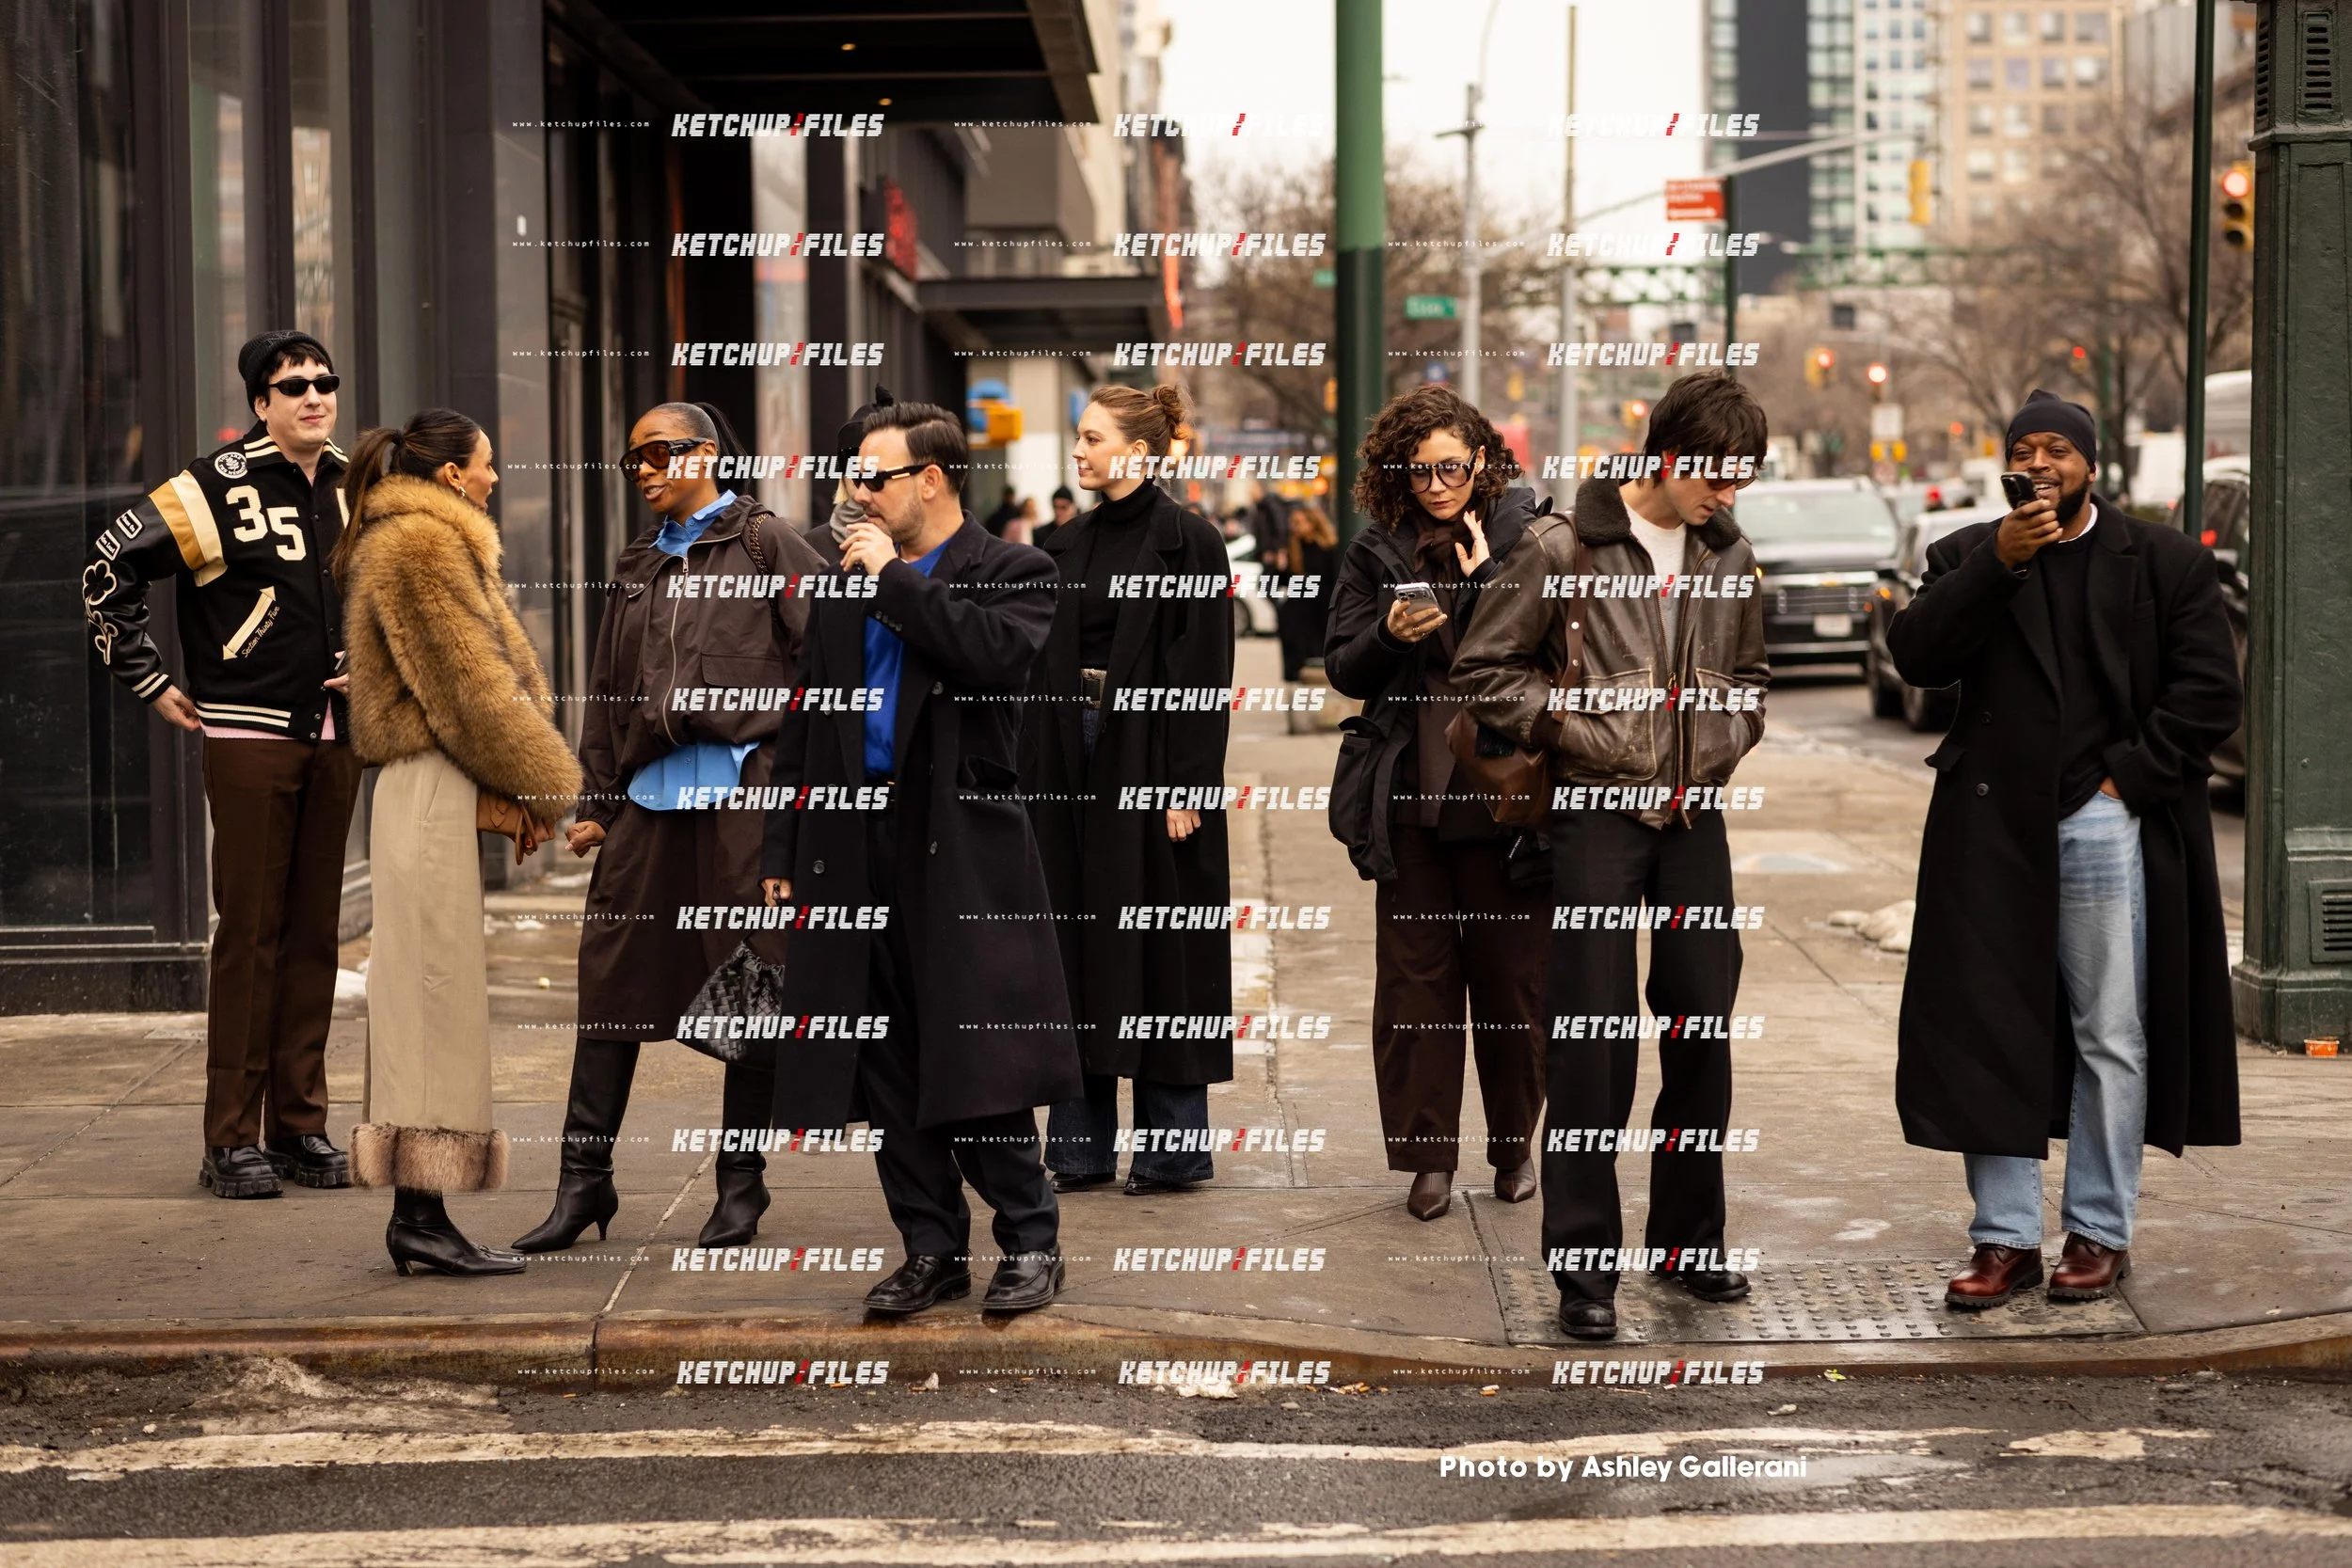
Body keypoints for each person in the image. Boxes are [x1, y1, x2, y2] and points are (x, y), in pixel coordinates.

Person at [1887, 390, 2241, 1310]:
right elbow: (1916, 653)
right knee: (1986, 1026)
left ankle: (2096, 1230)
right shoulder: (1968, 552)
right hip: (1990, 822)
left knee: (2107, 1032)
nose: (2039, 462)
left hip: (2100, 819)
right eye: (2022, 448)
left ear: (2090, 465)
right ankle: (2004, 1240)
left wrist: (2126, 778)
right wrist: (1996, 567)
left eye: (2057, 450)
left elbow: (2209, 693)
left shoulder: (2158, 560)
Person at [1453, 371, 1771, 1341]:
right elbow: (1482, 670)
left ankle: (1689, 1241)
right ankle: (1583, 1269)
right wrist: (1577, 730)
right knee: (1591, 1042)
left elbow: (1750, 676)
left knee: (1701, 1027)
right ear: (1669, 459)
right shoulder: (1563, 545)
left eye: (1742, 482)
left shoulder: (1729, 552)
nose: (1729, 497)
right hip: (1593, 813)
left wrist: (1719, 742)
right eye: (1719, 479)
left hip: (1692, 819)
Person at [760, 399, 1079, 1317]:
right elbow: (806, 722)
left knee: (976, 1053)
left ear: (929, 480)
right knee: (882, 1061)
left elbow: (990, 659)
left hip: (958, 849)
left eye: (875, 475)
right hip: (849, 846)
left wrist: (893, 583)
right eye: (854, 474)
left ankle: (1030, 1236)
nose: (857, 491)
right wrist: (785, 847)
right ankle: (929, 1244)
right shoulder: (837, 581)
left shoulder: (1013, 569)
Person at [513, 401, 828, 1255]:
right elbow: (611, 692)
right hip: (649, 807)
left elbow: (827, 666)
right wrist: (595, 801)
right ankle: (583, 1186)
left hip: (743, 803)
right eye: (632, 460)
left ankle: (740, 1186)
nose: (643, 469)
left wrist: (793, 789)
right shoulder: (640, 564)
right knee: (609, 985)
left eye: (656, 453)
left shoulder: (769, 545)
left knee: (751, 989)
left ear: (705, 453)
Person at [82, 328, 360, 1200]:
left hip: (339, 735)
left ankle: (299, 1126)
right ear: (261, 404)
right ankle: (230, 1138)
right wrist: (146, 673)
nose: (314, 396)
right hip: (245, 736)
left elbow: (390, 588)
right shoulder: (213, 485)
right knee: (249, 934)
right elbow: (106, 567)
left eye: (324, 381)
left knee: (317, 933)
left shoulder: (359, 485)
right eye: (293, 385)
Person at [337, 407, 580, 1275]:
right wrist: (549, 787)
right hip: (429, 784)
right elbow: (471, 692)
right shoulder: (422, 547)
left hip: (435, 784)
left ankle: (422, 1212)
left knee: (430, 995)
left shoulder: (421, 542)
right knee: (429, 998)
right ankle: (420, 1214)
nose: (492, 478)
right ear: (450, 476)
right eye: (485, 465)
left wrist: (521, 794)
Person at [1324, 386, 1550, 1222]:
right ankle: (1428, 1161)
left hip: (1503, 800)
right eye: (1418, 471)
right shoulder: (1375, 553)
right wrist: (1390, 636)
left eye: (1451, 466)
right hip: (1409, 803)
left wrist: (1487, 578)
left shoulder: (1529, 539)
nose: (1436, 484)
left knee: (1513, 985)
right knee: (1416, 989)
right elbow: (1342, 665)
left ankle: (1514, 1144)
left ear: (1482, 460)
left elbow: (1556, 652)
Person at [1022, 384, 1234, 1196]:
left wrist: (1188, 788)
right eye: (1077, 436)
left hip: (1151, 755)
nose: (1077, 451)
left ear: (1138, 451)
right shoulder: (1061, 542)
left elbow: (1205, 674)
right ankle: (1077, 1150)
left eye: (1091, 437)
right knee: (1078, 950)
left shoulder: (1191, 541)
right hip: (1068, 756)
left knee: (1161, 951)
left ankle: (1172, 1150)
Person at [1271, 502, 1340, 684]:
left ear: (1313, 523)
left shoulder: (1328, 548)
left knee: (1319, 660)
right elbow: (1280, 582)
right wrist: (1279, 567)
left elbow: (1333, 579)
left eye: (1300, 522)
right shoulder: (1291, 548)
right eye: (1294, 522)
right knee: (1297, 663)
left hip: (1321, 610)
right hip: (1296, 611)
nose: (1296, 527)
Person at [1033, 486, 1078, 552]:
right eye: (1055, 507)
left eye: (1063, 507)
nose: (1058, 512)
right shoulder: (1040, 534)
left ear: (1073, 507)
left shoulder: (1081, 533)